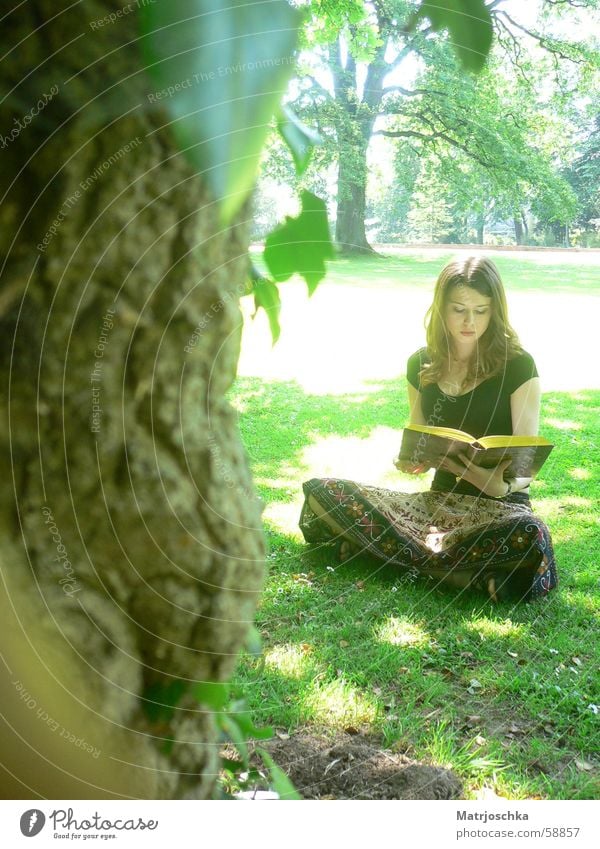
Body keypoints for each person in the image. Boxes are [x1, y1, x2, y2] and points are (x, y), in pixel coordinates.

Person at [299, 256, 558, 602]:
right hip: (435, 507)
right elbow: (420, 439)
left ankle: (385, 556)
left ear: (495, 310)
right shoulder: (421, 363)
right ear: (440, 308)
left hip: (501, 509)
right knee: (323, 491)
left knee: (531, 533)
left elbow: (524, 468)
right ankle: (464, 576)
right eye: (458, 309)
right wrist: (411, 461)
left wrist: (497, 482)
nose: (469, 321)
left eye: (481, 310)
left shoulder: (519, 366)